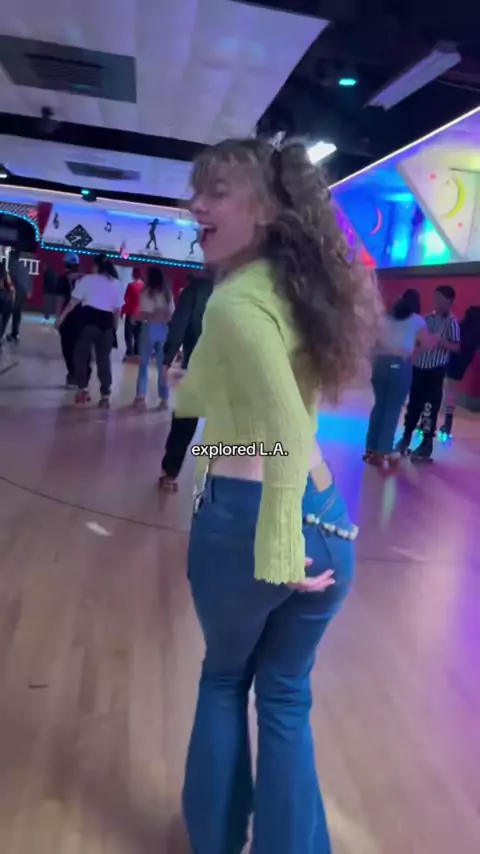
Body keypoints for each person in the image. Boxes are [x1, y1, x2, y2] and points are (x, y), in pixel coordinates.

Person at [169, 138, 382, 854]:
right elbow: (212, 406)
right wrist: (193, 388)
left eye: (217, 192)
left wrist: (280, 549)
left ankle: (216, 841)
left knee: (224, 680)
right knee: (287, 694)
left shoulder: (236, 303)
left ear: (264, 209)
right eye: (197, 190)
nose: (197, 206)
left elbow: (284, 432)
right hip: (329, 520)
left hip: (255, 522)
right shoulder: (294, 290)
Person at [364, 288, 436, 467]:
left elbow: (372, 342)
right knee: (392, 409)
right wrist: (414, 355)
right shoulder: (417, 321)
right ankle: (382, 452)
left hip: (380, 364)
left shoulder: (383, 319)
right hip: (399, 364)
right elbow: (425, 344)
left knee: (379, 406)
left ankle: (370, 449)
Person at [158, 271, 214, 491]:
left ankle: (169, 473)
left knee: (183, 422)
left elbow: (178, 328)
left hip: (196, 366)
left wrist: (167, 359)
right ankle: (217, 479)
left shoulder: (194, 291)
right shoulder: (242, 291)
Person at [397, 285, 460, 460]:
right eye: (435, 298)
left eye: (440, 299)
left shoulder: (452, 323)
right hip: (419, 367)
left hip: (435, 370)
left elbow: (456, 347)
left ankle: (426, 444)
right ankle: (406, 437)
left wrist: (441, 342)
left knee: (429, 408)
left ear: (449, 301)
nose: (436, 302)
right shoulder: (427, 319)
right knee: (413, 405)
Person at [55, 254, 122, 407]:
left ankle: (83, 389)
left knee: (81, 356)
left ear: (96, 266)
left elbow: (73, 302)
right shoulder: (115, 283)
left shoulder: (87, 280)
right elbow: (117, 310)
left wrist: (61, 317)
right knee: (103, 361)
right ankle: (105, 395)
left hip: (87, 322)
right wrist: (114, 328)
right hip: (106, 324)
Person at [133, 266, 174, 409]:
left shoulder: (146, 292)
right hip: (164, 329)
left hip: (149, 328)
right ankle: (164, 398)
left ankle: (140, 397)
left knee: (143, 364)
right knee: (162, 366)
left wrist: (136, 318)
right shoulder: (167, 293)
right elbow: (170, 313)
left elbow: (147, 314)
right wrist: (160, 314)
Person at [439, 305, 480, 436]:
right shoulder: (476, 334)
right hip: (462, 364)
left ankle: (430, 419)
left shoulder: (461, 327)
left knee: (440, 390)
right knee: (451, 393)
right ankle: (448, 422)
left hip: (448, 360)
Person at [55, 253, 85, 388]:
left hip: (67, 319)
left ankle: (73, 375)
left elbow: (60, 300)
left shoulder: (63, 279)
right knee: (79, 348)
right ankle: (80, 375)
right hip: (83, 319)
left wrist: (58, 317)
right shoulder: (84, 279)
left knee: (67, 348)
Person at [6, 248, 32, 342]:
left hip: (13, 293)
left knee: (5, 313)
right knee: (17, 314)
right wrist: (28, 291)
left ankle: (2, 333)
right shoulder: (23, 267)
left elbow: (9, 279)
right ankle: (15, 334)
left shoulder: (10, 265)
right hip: (23, 293)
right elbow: (28, 280)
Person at [121, 267, 144, 359]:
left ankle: (130, 351)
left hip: (131, 312)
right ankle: (137, 352)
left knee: (129, 334)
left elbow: (126, 299)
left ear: (134, 274)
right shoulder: (145, 287)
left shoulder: (131, 286)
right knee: (138, 334)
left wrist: (122, 311)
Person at [0, 260, 15, 346]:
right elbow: (11, 287)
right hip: (6, 298)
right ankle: (1, 335)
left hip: (4, 297)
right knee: (4, 319)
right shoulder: (5, 273)